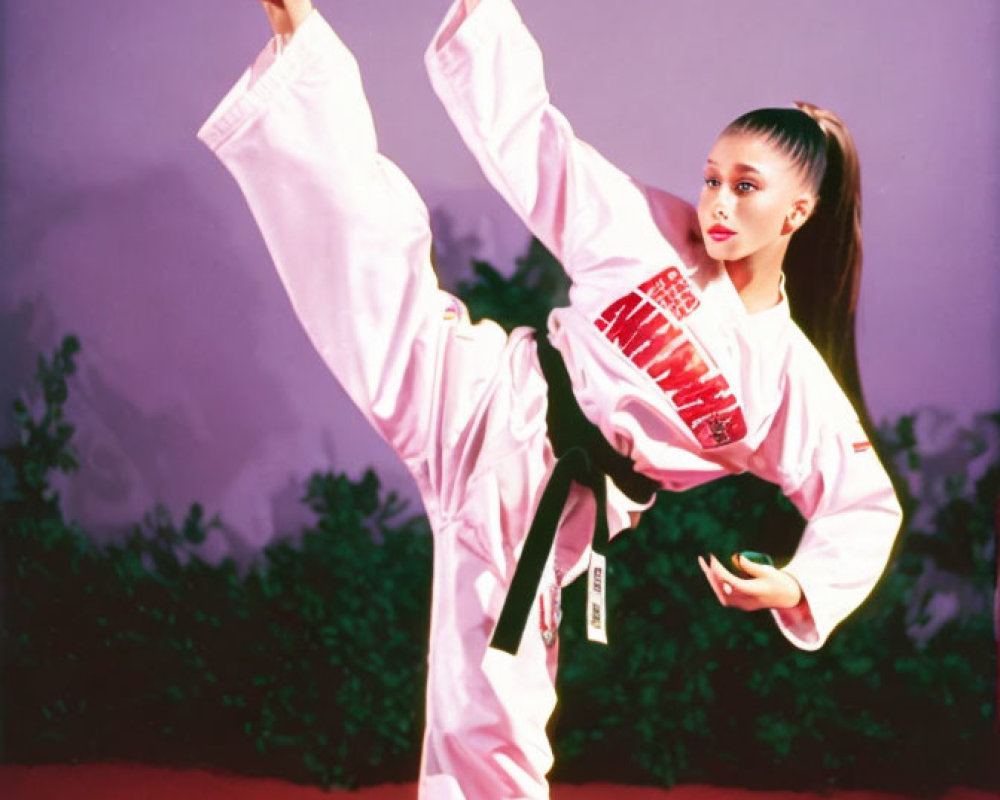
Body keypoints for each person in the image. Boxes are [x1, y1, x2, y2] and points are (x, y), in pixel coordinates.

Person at [197, 0, 903, 797]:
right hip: (489, 393)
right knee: (366, 261)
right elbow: (533, 138)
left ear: (797, 210)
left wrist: (798, 583)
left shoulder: (789, 380)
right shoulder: (645, 230)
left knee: (489, 719)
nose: (717, 203)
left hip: (546, 503)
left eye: (746, 187)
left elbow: (864, 503)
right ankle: (301, 39)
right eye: (711, 178)